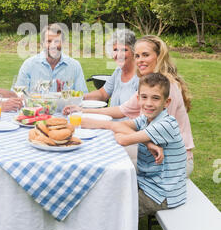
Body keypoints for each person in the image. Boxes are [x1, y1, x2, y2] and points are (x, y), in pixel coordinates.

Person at [70, 35, 194, 176]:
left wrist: (109, 127)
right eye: (137, 56)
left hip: (173, 162)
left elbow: (153, 135)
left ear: (159, 56)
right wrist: (82, 111)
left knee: (109, 169)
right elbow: (122, 110)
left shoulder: (168, 87)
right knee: (98, 152)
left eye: (145, 55)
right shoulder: (150, 83)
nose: (140, 60)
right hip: (153, 152)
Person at [97, 73, 187, 217]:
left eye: (156, 98)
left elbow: (121, 139)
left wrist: (120, 132)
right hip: (148, 182)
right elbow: (120, 125)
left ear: (166, 102)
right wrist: (146, 142)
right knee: (109, 188)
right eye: (144, 97)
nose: (149, 103)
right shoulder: (146, 119)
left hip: (162, 194)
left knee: (113, 210)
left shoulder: (166, 124)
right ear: (138, 98)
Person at [16, 23, 88, 93]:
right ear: (42, 43)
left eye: (57, 41)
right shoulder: (29, 65)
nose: (53, 46)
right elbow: (18, 95)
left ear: (63, 43)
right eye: (49, 41)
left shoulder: (74, 66)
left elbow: (82, 96)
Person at [83, 28, 139, 106]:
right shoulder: (118, 71)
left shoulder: (140, 76)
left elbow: (126, 111)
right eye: (115, 50)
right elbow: (103, 94)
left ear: (134, 51)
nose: (119, 54)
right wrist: (78, 97)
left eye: (124, 50)